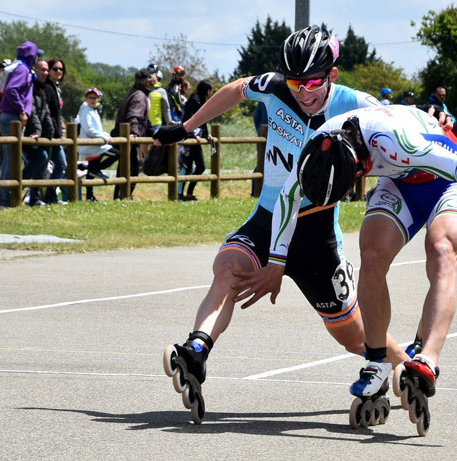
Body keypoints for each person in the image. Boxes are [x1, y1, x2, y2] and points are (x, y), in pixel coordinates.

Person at [155, 25, 404, 424]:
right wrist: (187, 128)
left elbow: (405, 133)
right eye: (295, 82)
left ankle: (407, 367)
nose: (303, 92)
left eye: (312, 83)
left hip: (316, 236)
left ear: (332, 76)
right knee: (227, 268)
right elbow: (235, 89)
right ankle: (197, 351)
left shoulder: (358, 105)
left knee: (356, 339)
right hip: (269, 217)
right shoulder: (273, 88)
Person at [256, 104, 457, 433]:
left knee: (441, 249)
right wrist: (276, 261)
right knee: (372, 254)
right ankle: (377, 360)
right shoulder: (319, 148)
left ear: (359, 167)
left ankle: (427, 358)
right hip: (400, 181)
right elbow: (287, 197)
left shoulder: (397, 142)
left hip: (448, 179)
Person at [0, 41, 41, 208]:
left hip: (8, 117)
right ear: (31, 55)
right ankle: (7, 201)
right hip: (12, 118)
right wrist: (22, 109)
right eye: (37, 55)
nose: (38, 58)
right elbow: (11, 90)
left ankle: (5, 200)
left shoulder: (20, 68)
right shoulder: (22, 69)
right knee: (12, 161)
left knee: (10, 161)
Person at [111, 68, 154, 200]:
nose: (152, 86)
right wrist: (134, 133)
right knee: (131, 170)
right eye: (150, 83)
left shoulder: (134, 92)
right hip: (129, 138)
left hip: (123, 136)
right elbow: (134, 116)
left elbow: (145, 120)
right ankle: (123, 196)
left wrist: (155, 133)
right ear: (145, 83)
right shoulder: (140, 96)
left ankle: (121, 195)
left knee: (125, 168)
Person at [78, 87, 119, 201]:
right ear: (85, 99)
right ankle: (96, 169)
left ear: (98, 99)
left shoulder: (92, 110)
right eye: (90, 97)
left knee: (91, 171)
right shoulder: (86, 109)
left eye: (94, 97)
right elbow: (89, 129)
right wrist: (104, 137)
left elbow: (97, 129)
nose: (92, 100)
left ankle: (90, 196)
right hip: (93, 144)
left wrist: (105, 134)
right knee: (117, 154)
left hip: (96, 143)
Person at [21, 59, 53, 207]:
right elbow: (31, 110)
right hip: (26, 133)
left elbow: (45, 112)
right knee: (42, 157)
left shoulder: (42, 88)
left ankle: (33, 197)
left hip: (38, 134)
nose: (45, 73)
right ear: (35, 70)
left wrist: (51, 132)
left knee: (43, 160)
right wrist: (37, 131)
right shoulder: (31, 86)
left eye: (47, 70)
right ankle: (19, 182)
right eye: (42, 69)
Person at [178, 79, 214, 201]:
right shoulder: (194, 100)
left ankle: (188, 193)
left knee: (200, 167)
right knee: (187, 167)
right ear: (206, 90)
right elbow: (188, 119)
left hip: (196, 138)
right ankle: (179, 194)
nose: (211, 92)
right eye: (210, 90)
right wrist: (193, 134)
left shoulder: (202, 100)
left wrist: (206, 135)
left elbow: (203, 121)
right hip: (189, 138)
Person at [43, 57, 67, 204]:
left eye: (61, 69)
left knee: (61, 164)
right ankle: (34, 196)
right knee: (44, 165)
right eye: (55, 69)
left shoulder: (55, 87)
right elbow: (47, 113)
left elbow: (57, 113)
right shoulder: (47, 87)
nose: (59, 71)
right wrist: (54, 131)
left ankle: (51, 196)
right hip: (49, 134)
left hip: (56, 134)